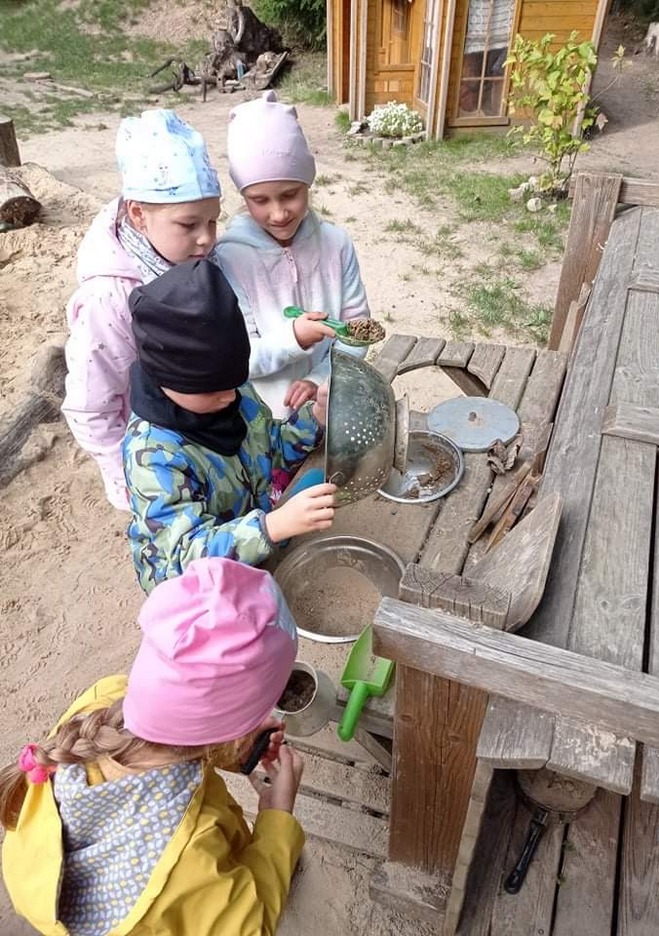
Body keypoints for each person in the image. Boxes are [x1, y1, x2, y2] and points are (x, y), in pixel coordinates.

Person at [0, 557, 305, 936]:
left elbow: (176, 735)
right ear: (232, 731)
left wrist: (232, 746)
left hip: (45, 884)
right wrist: (277, 817)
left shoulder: (101, 702)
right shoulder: (194, 852)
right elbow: (250, 926)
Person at [123, 257, 336, 594]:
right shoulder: (153, 455)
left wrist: (317, 416)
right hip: (196, 593)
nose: (228, 397)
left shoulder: (232, 392)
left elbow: (270, 448)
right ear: (167, 380)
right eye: (211, 390)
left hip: (249, 537)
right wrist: (270, 527)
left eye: (234, 381)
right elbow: (181, 558)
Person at [62, 109, 222, 511]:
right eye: (189, 225)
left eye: (213, 221)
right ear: (138, 214)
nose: (206, 239)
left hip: (198, 439)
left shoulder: (189, 257)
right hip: (151, 466)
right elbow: (90, 406)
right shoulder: (109, 301)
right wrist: (133, 481)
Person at [216, 90, 371, 419]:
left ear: (308, 183)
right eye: (260, 200)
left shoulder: (336, 244)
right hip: (266, 421)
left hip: (329, 405)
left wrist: (320, 378)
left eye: (290, 195)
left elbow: (357, 330)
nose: (278, 213)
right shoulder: (230, 259)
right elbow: (236, 358)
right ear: (244, 196)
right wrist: (293, 339)